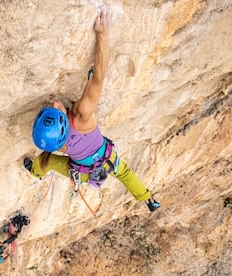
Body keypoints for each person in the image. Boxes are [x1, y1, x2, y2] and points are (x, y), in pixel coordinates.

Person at [24, 5, 160, 212]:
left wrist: (102, 37)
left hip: (84, 172)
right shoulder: (81, 116)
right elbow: (98, 76)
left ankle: (35, 171)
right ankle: (147, 198)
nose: (54, 103)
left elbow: (99, 77)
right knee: (124, 173)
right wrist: (103, 38)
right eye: (56, 109)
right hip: (105, 160)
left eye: (52, 108)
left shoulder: (55, 145)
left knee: (47, 161)